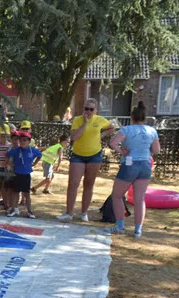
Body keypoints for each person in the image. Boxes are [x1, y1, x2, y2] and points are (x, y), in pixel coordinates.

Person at [103, 102, 160, 238]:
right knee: (140, 199)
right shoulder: (152, 131)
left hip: (129, 163)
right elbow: (157, 150)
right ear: (144, 118)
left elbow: (113, 143)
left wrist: (121, 151)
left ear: (132, 117)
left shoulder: (127, 129)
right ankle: (138, 230)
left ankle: (120, 226)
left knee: (117, 196)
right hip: (145, 165)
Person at [58, 98, 114, 222]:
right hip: (78, 155)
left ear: (96, 110)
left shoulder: (100, 120)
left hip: (94, 156)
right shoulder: (77, 120)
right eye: (86, 109)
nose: (88, 111)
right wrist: (85, 123)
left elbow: (111, 128)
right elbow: (74, 137)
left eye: (91, 109)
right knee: (73, 184)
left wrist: (101, 135)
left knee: (89, 184)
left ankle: (84, 213)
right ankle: (69, 213)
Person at [6, 131, 42, 219]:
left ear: (29, 141)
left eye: (24, 140)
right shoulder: (16, 150)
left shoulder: (32, 150)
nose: (22, 142)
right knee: (15, 192)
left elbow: (40, 155)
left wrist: (35, 163)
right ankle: (13, 209)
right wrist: (10, 164)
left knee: (27, 194)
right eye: (20, 140)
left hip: (26, 175)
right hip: (17, 174)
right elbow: (7, 155)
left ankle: (29, 211)